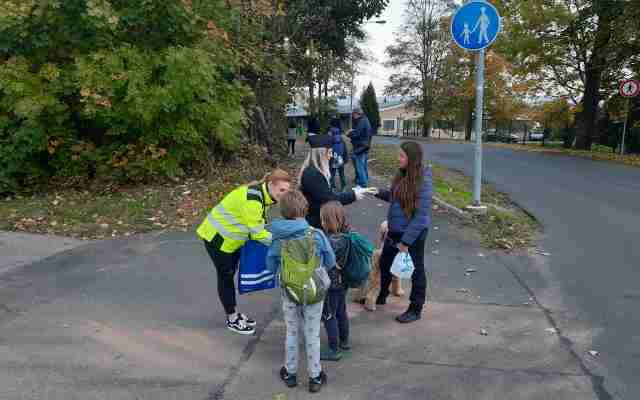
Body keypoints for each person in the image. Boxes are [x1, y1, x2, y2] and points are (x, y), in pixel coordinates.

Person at [197, 169, 292, 335]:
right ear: (270, 185)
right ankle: (232, 318)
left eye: (287, 191)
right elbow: (258, 233)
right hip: (217, 240)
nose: (284, 195)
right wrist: (284, 244)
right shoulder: (254, 200)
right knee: (225, 276)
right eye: (281, 190)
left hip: (230, 240)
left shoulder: (263, 195)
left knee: (229, 274)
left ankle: (233, 314)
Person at [266, 190, 335, 393]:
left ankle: (290, 372)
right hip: (314, 291)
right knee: (312, 333)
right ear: (305, 210)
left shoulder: (278, 239)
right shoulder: (317, 235)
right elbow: (330, 261)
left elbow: (270, 265)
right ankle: (315, 376)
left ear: (283, 212)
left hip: (290, 291)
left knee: (292, 330)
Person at [372, 141, 432, 323]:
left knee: (416, 271)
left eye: (402, 156)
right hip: (395, 230)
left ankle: (415, 309)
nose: (398, 159)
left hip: (413, 235)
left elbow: (420, 217)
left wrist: (406, 242)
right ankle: (381, 294)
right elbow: (395, 197)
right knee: (385, 263)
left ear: (411, 159)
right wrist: (377, 192)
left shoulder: (423, 180)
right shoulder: (402, 175)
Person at [299, 134, 369, 229]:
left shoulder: (314, 171)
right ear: (321, 154)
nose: (331, 155)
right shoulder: (313, 174)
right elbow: (329, 198)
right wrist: (353, 195)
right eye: (330, 152)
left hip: (317, 219)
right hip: (315, 223)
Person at [319, 201, 352, 361]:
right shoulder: (347, 235)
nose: (321, 222)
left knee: (328, 314)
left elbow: (322, 261)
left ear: (330, 221)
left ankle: (334, 349)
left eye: (323, 220)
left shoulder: (329, 241)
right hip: (343, 281)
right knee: (341, 311)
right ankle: (344, 341)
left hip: (331, 283)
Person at [347, 106, 372, 188]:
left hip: (360, 147)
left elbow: (357, 134)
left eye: (353, 114)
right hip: (365, 145)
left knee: (359, 166)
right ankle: (364, 179)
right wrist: (353, 130)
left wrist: (349, 134)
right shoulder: (365, 120)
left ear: (357, 114)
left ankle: (363, 184)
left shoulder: (361, 121)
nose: (353, 116)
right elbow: (362, 132)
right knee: (363, 164)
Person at [329, 118, 348, 191]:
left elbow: (327, 147)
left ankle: (332, 187)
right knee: (341, 173)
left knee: (332, 173)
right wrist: (345, 158)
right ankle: (344, 187)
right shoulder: (341, 136)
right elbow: (345, 148)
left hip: (332, 158)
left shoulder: (330, 135)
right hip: (340, 158)